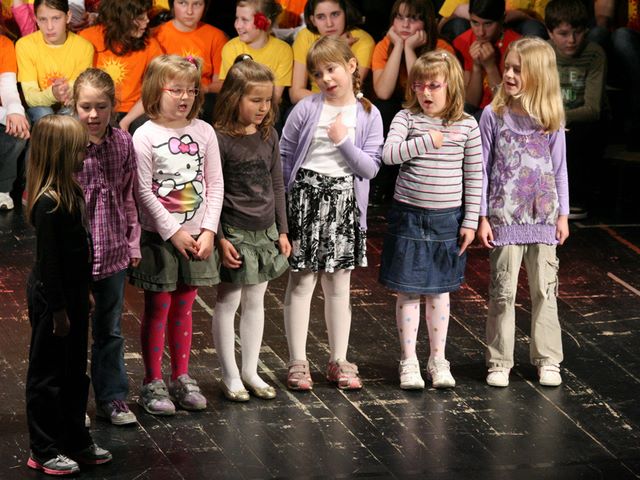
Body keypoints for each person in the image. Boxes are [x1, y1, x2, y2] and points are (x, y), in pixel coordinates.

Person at [281, 36, 383, 391]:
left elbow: (369, 168)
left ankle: (339, 359)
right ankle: (298, 361)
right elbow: (285, 156)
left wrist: (342, 140)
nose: (325, 78)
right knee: (302, 282)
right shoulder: (307, 108)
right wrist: (284, 213)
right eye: (317, 73)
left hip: (344, 203)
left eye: (331, 69)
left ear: (351, 66)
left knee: (339, 285)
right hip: (305, 201)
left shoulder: (368, 114)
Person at [379, 50, 483, 389]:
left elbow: (474, 176)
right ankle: (408, 360)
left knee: (439, 292)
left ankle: (438, 359)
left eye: (433, 86)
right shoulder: (406, 118)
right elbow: (388, 155)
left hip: (446, 220)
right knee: (408, 290)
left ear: (451, 86)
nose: (425, 92)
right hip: (409, 216)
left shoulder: (467, 125)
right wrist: (425, 142)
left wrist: (470, 221)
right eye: (419, 85)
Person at [130, 54, 224, 415]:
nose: (185, 97)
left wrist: (209, 230)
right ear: (157, 90)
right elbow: (143, 191)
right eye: (176, 90)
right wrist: (173, 233)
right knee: (159, 307)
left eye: (191, 90)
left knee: (185, 306)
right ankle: (152, 381)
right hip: (161, 238)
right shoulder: (145, 134)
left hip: (197, 236)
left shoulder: (204, 131)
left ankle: (181, 376)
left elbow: (214, 184)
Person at [477, 37, 569, 388]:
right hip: (504, 217)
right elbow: (482, 169)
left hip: (543, 219)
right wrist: (482, 216)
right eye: (508, 67)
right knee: (503, 291)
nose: (510, 74)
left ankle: (548, 358)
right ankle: (499, 359)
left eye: (519, 69)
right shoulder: (493, 115)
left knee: (545, 289)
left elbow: (559, 169)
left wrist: (562, 215)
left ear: (539, 75)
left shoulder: (550, 119)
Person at [25, 115, 112, 476]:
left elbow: (80, 251)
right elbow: (49, 264)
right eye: (78, 149)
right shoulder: (49, 203)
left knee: (75, 371)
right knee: (47, 374)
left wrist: (85, 291)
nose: (84, 153)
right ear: (60, 154)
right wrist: (59, 310)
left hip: (73, 294)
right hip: (53, 299)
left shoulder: (72, 192)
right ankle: (43, 448)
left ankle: (75, 438)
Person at [211, 57, 291, 402]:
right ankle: (230, 374)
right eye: (255, 100)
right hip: (235, 232)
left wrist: (283, 230)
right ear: (234, 97)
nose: (263, 107)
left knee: (256, 301)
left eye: (267, 100)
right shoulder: (219, 138)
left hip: (265, 231)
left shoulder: (268, 134)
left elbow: (277, 184)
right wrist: (219, 237)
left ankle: (250, 370)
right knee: (229, 300)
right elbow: (213, 190)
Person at [73, 68, 141, 426]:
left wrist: (133, 242)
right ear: (74, 106)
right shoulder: (66, 144)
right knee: (71, 332)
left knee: (110, 330)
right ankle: (71, 403)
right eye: (85, 107)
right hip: (76, 255)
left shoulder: (122, 143)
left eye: (101, 106)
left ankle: (111, 398)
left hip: (113, 251)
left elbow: (129, 195)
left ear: (113, 106)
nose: (93, 115)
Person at [370, 0, 455, 205]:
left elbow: (424, 94)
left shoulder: (441, 49)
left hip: (431, 109)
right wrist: (399, 46)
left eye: (414, 18)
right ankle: (381, 185)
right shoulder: (384, 46)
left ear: (426, 22)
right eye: (400, 17)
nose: (405, 25)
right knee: (383, 109)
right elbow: (383, 92)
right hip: (399, 108)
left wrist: (409, 50)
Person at [545, 0, 607, 219]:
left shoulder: (594, 54)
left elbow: (593, 109)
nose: (571, 40)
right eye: (563, 34)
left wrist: (561, 118)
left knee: (578, 136)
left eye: (577, 32)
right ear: (550, 33)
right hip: (549, 119)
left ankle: (575, 198)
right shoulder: (544, 54)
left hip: (580, 120)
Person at [79, 0, 163, 133]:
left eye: (147, 15)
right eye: (140, 17)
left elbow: (154, 90)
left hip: (135, 111)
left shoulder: (150, 44)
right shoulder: (88, 37)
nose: (147, 20)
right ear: (121, 18)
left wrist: (127, 121)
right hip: (97, 109)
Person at [15, 0, 94, 123]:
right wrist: (53, 94)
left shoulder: (84, 47)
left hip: (69, 107)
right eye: (43, 19)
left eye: (56, 18)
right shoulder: (24, 45)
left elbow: (80, 91)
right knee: (44, 113)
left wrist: (68, 91)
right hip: (40, 108)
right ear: (36, 19)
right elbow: (30, 97)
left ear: (68, 17)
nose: (50, 27)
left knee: (74, 115)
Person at [153, 0, 228, 122]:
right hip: (166, 98)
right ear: (172, 4)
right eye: (183, 3)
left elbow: (222, 83)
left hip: (202, 100)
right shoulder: (156, 35)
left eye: (197, 4)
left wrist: (205, 88)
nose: (189, 11)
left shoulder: (216, 36)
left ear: (205, 6)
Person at [289, 0, 374, 104]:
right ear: (313, 20)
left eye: (335, 14)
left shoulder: (363, 41)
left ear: (346, 14)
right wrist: (335, 45)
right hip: (312, 104)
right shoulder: (305, 36)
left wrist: (339, 48)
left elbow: (345, 94)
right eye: (321, 17)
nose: (329, 24)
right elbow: (295, 94)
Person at [452, 0, 521, 116]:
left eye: (488, 24)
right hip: (473, 114)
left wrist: (491, 67)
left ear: (502, 19)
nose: (480, 32)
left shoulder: (518, 47)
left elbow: (507, 106)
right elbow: (470, 104)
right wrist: (476, 67)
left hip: (503, 114)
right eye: (475, 23)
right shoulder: (462, 42)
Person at [219, 0, 292, 107]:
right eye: (237, 18)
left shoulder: (283, 51)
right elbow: (230, 92)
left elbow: (275, 97)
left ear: (265, 22)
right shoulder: (230, 48)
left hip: (268, 109)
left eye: (245, 20)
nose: (237, 25)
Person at [0, 32, 29, 211]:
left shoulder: (4, 44)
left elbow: (8, 87)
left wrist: (15, 112)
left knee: (19, 127)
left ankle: (2, 188)